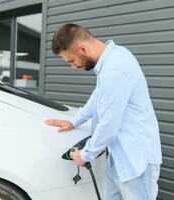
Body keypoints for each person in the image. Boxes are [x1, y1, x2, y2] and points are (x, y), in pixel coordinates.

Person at [45, 24, 162, 200]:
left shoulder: (114, 69)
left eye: (71, 60)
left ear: (82, 48)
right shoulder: (113, 59)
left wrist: (85, 155)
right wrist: (75, 121)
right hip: (119, 156)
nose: (73, 67)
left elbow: (109, 126)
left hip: (135, 161)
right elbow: (99, 96)